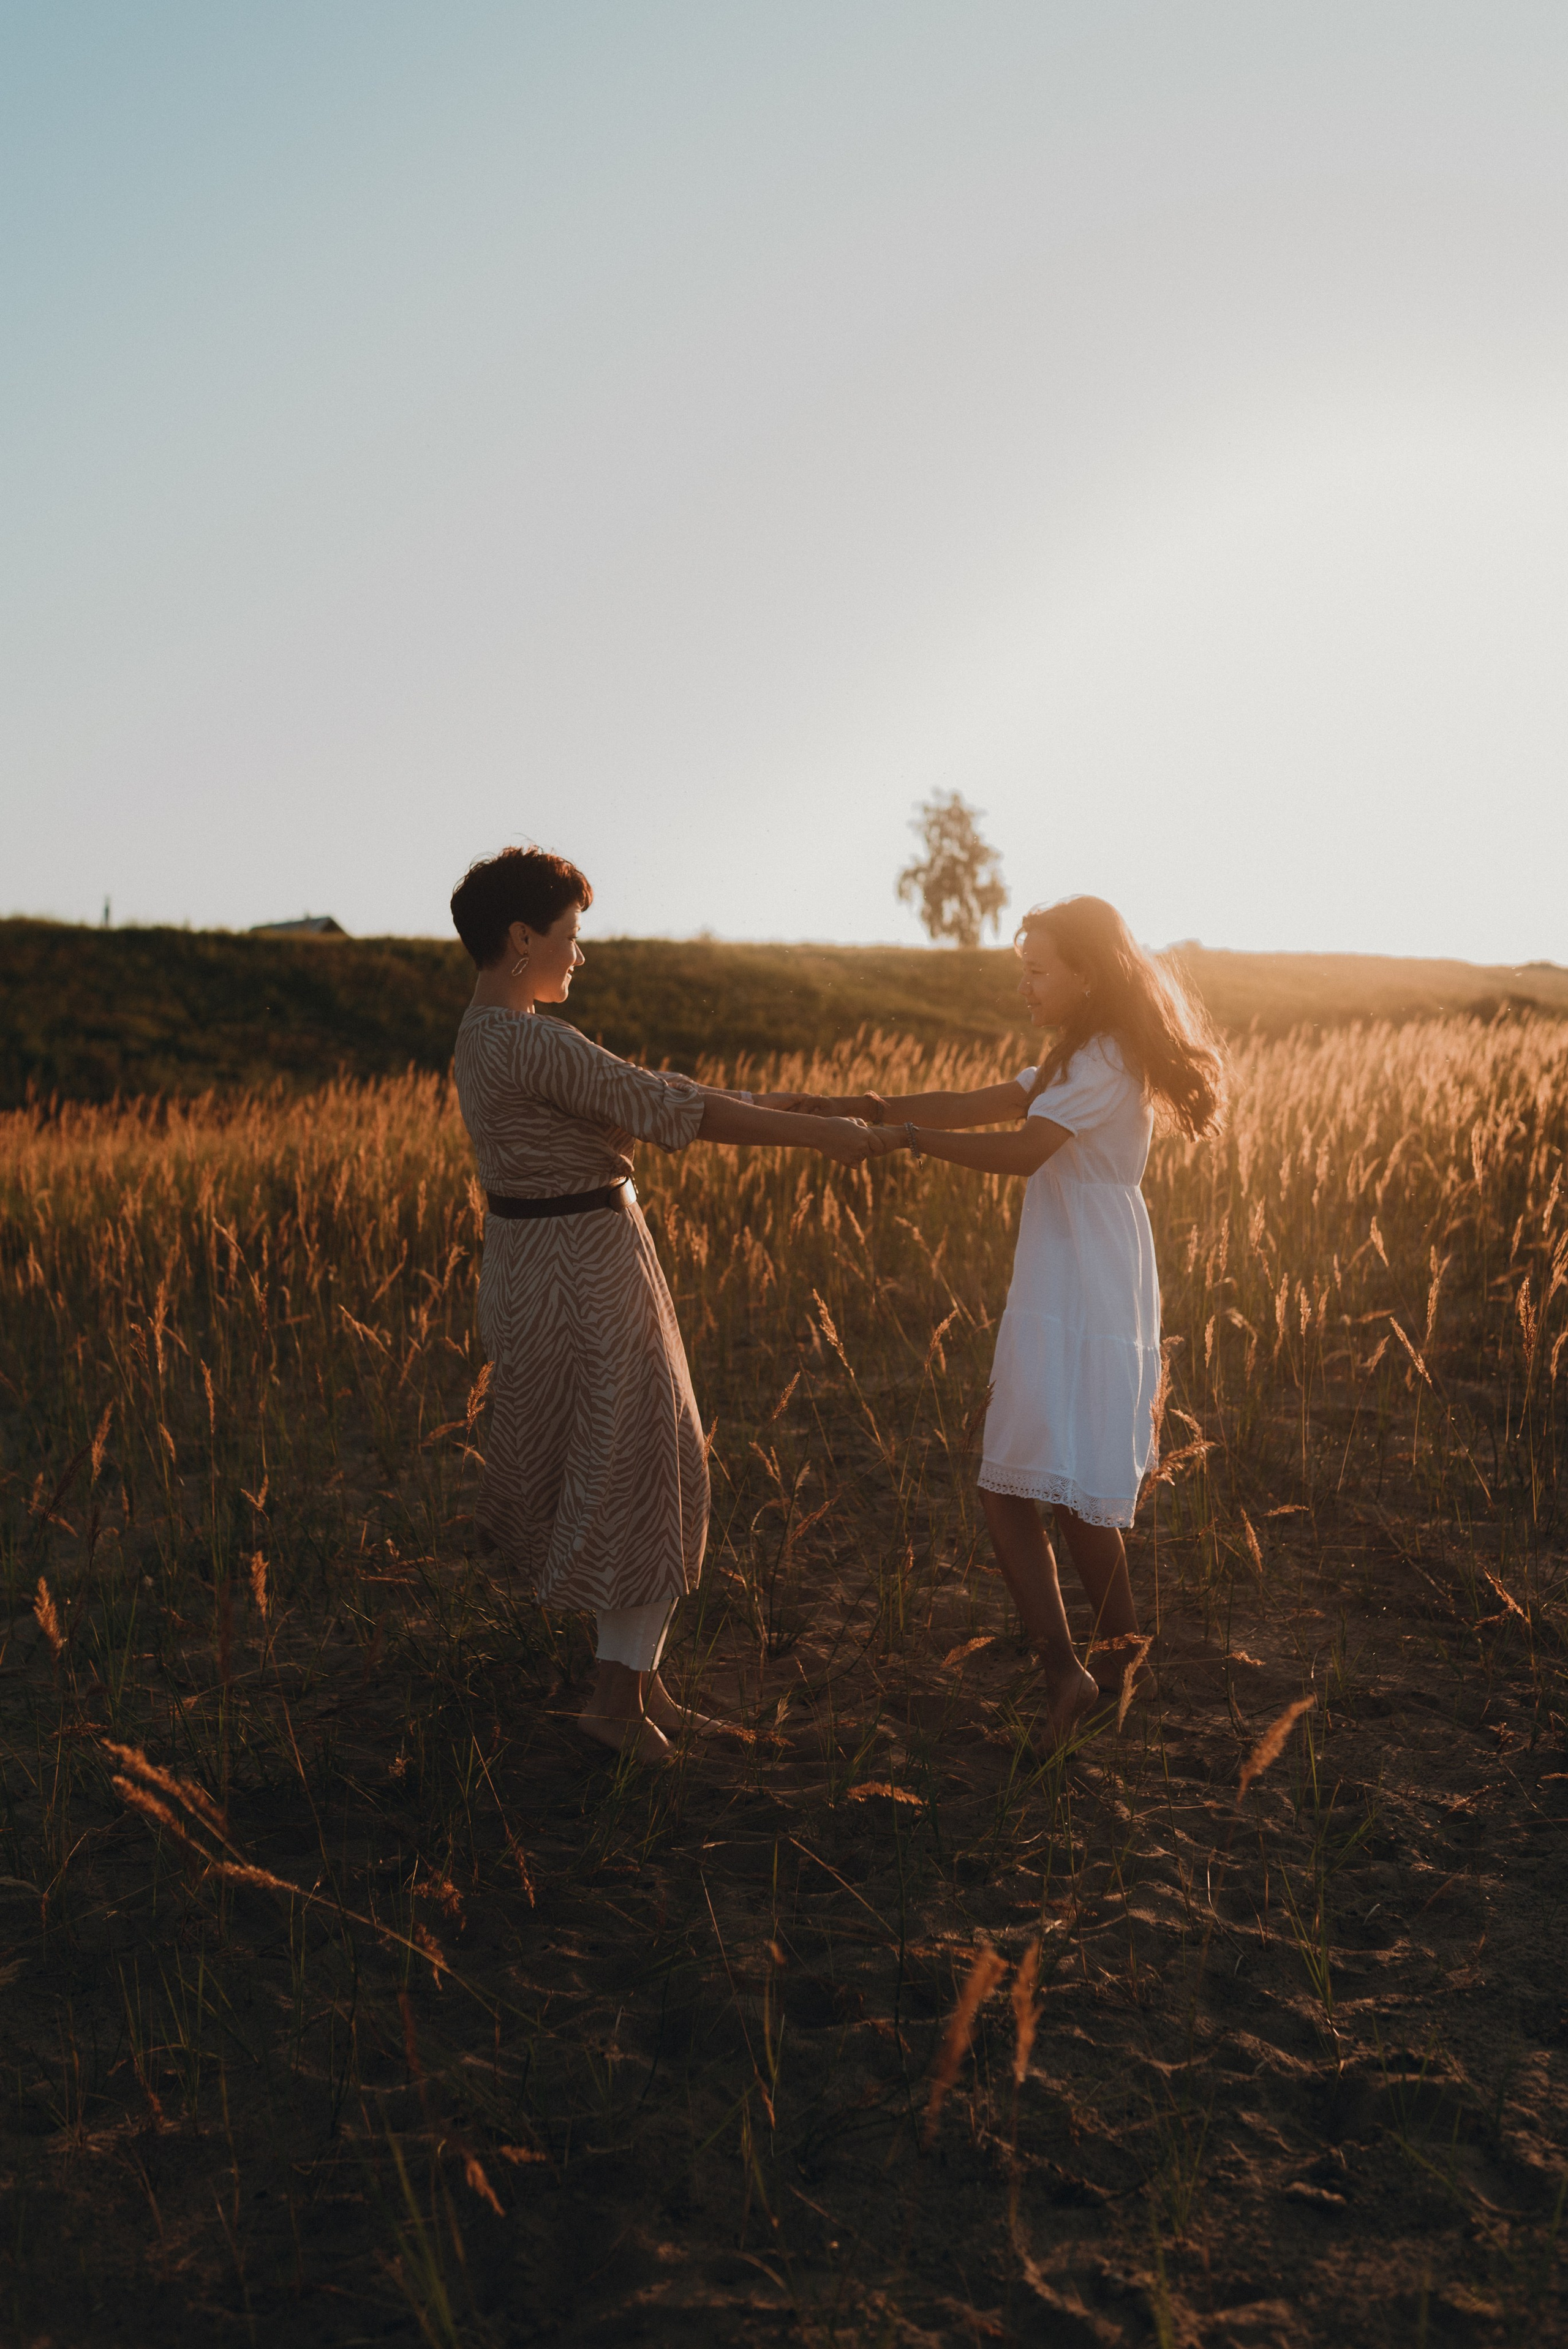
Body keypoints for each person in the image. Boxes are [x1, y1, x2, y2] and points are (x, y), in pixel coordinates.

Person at [450, 846, 870, 1764]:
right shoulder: (530, 1039)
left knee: (616, 1465)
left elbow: (655, 1098)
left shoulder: (482, 1038)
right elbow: (671, 1111)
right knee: (646, 1465)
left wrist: (778, 1101)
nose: (580, 955)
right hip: (588, 1273)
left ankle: (639, 1687)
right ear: (522, 938)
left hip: (532, 1266)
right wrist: (820, 1135)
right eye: (570, 936)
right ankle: (613, 1704)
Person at [782, 895, 1224, 1742]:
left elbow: (1023, 1150)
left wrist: (904, 1138)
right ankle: (1110, 1664)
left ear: (1087, 975)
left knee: (1028, 1480)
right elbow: (983, 1100)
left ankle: (1081, 1672)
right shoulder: (1080, 1054)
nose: (1023, 986)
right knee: (1056, 1487)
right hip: (1068, 1277)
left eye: (1035, 971)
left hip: (1083, 1286)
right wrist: (869, 1106)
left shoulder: (1103, 1060)